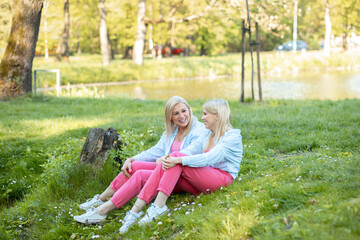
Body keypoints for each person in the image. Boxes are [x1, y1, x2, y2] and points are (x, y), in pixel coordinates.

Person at [73, 96, 205, 224]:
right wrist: (132, 158)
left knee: (140, 175)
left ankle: (102, 211)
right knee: (133, 166)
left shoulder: (199, 130)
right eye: (176, 113)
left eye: (183, 111)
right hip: (166, 169)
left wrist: (165, 159)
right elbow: (156, 150)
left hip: (180, 176)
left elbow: (189, 153)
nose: (181, 116)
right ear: (170, 117)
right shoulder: (173, 131)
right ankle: (101, 198)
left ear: (189, 110)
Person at [119, 99, 243, 233]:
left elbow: (207, 159)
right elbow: (188, 152)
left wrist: (178, 160)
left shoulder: (232, 137)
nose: (202, 118)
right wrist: (171, 159)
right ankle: (135, 211)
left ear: (217, 115)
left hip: (221, 179)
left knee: (177, 159)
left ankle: (158, 206)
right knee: (147, 172)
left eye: (205, 114)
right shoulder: (208, 134)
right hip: (201, 180)